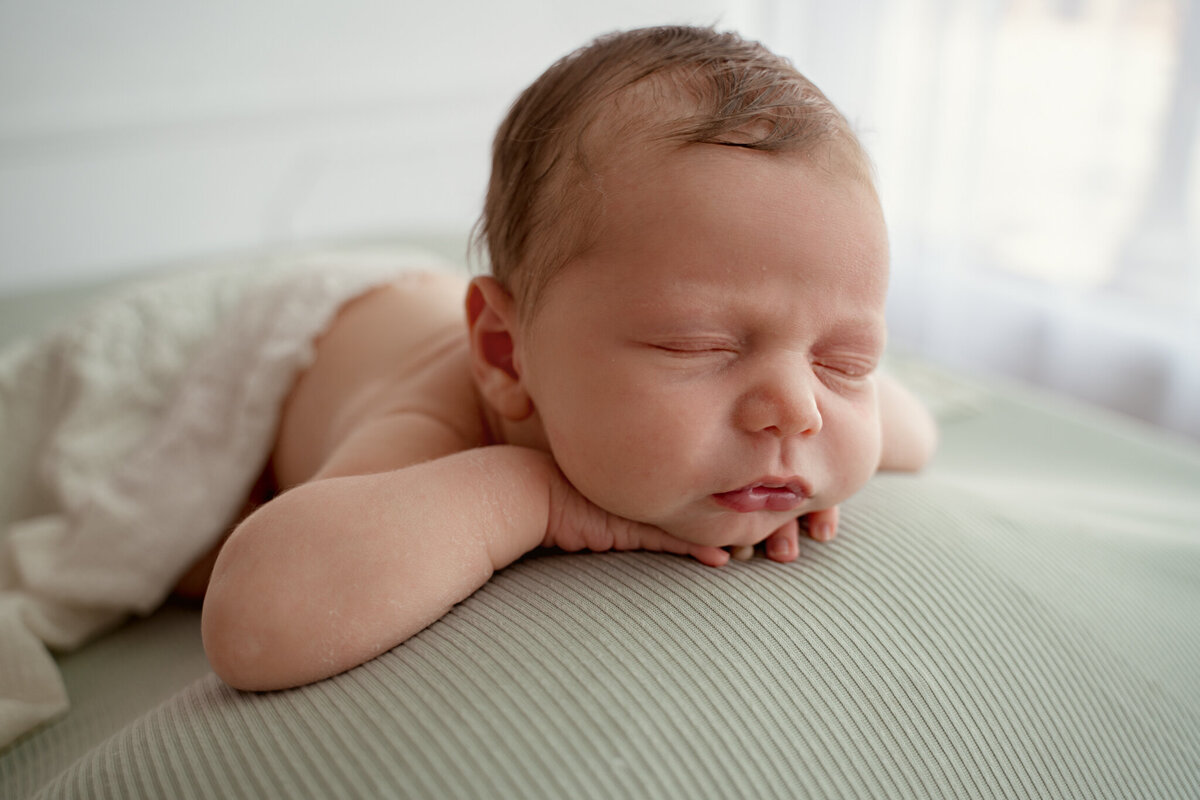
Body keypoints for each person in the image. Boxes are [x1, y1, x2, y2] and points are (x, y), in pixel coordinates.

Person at [199, 25, 938, 691]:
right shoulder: (436, 419)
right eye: (699, 346)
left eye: (844, 361)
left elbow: (909, 430)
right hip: (292, 338)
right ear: (505, 356)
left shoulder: (800, 408)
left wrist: (813, 458)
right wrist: (530, 495)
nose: (799, 410)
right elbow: (257, 626)